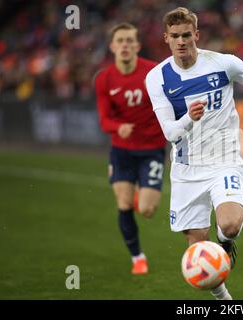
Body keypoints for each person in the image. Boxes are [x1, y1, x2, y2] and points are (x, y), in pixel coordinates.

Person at [145, 7, 243, 300]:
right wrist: (189, 118)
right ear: (166, 38)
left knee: (229, 224)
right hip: (186, 168)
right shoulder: (158, 78)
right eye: (175, 36)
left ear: (197, 35)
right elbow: (170, 132)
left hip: (225, 159)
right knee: (198, 254)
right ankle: (225, 300)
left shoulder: (222, 63)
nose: (182, 41)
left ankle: (226, 243)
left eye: (187, 35)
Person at [94, 23, 166, 275]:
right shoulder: (104, 79)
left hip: (152, 148)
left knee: (146, 210)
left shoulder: (154, 73)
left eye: (129, 41)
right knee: (123, 204)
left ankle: (140, 192)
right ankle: (138, 258)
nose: (124, 45)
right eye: (120, 41)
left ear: (137, 46)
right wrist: (118, 126)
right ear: (113, 46)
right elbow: (104, 120)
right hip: (122, 150)